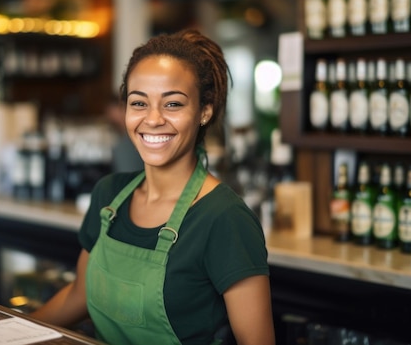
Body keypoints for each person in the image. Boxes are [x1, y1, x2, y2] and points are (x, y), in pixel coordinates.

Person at [31, 29, 274, 345]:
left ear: (204, 111)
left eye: (172, 104)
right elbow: (79, 294)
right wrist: (8, 330)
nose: (153, 119)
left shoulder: (224, 218)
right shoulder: (109, 198)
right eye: (139, 103)